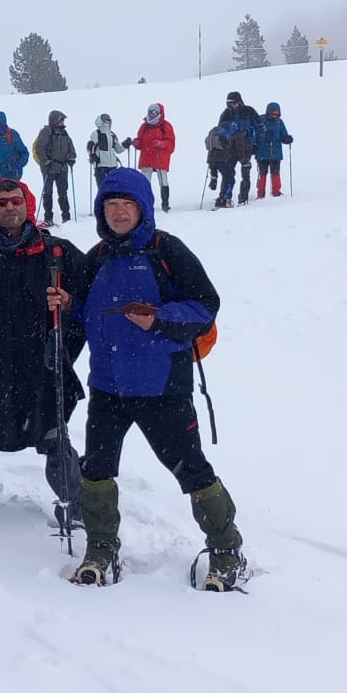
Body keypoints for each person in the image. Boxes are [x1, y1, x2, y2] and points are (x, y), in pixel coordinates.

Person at [50, 168, 244, 590]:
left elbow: (205, 305)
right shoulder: (97, 256)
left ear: (143, 208)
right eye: (111, 205)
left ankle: (227, 549)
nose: (118, 212)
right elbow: (87, 313)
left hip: (162, 385)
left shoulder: (166, 251)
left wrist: (160, 320)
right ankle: (101, 547)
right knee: (97, 468)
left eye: (127, 204)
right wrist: (68, 303)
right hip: (107, 385)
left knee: (190, 469)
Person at [0, 177, 86, 526]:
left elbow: (90, 301)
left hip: (42, 365)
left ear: (29, 204)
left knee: (53, 431)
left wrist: (67, 308)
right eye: (2, 201)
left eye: (16, 200)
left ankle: (75, 503)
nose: (10, 206)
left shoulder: (57, 253)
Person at [123, 102, 177, 209]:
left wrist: (161, 144)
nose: (152, 114)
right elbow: (140, 140)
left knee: (163, 180)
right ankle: (145, 203)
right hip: (146, 157)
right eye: (150, 112)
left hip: (160, 157)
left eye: (154, 112)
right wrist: (137, 143)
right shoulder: (144, 126)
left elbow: (171, 143)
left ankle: (165, 203)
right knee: (144, 181)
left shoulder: (166, 126)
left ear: (159, 112)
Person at [31, 109, 78, 223]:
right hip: (49, 167)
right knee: (48, 192)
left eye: (62, 120)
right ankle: (48, 217)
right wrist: (46, 161)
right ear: (54, 120)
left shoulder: (64, 133)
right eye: (61, 120)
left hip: (62, 168)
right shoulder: (46, 131)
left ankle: (66, 216)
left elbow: (70, 146)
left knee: (63, 192)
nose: (62, 122)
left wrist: (71, 158)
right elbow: (40, 148)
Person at [216, 91, 260, 203]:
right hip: (230, 149)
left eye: (234, 103)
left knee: (245, 173)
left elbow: (259, 127)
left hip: (246, 147)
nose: (232, 105)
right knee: (228, 174)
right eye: (229, 103)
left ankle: (243, 198)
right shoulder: (226, 114)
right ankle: (225, 198)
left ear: (239, 101)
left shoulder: (249, 111)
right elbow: (220, 130)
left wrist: (257, 143)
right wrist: (223, 138)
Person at [252, 101, 293, 198]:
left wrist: (287, 138)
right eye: (272, 114)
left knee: (275, 173)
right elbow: (256, 135)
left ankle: (276, 193)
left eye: (276, 114)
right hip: (262, 152)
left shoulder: (279, 123)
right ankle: (261, 194)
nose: (274, 116)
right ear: (268, 113)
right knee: (262, 173)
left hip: (275, 153)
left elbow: (283, 135)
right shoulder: (261, 121)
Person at [86, 114, 125, 192]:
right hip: (101, 165)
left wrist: (125, 145)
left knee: (114, 189)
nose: (108, 121)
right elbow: (91, 147)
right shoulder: (96, 133)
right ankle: (103, 203)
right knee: (103, 189)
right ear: (101, 121)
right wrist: (92, 155)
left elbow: (118, 150)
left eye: (109, 119)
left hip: (112, 165)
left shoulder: (112, 134)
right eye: (106, 119)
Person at [205, 125, 238, 209]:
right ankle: (225, 199)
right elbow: (229, 148)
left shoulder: (215, 131)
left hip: (212, 158)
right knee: (230, 178)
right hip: (222, 159)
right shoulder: (230, 131)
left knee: (226, 177)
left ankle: (214, 179)